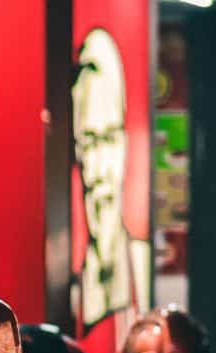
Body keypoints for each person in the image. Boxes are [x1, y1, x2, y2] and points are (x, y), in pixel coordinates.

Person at [71, 29, 150, 330]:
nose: (97, 166)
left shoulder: (138, 271)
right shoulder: (71, 275)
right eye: (86, 142)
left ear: (124, 145)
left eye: (106, 139)